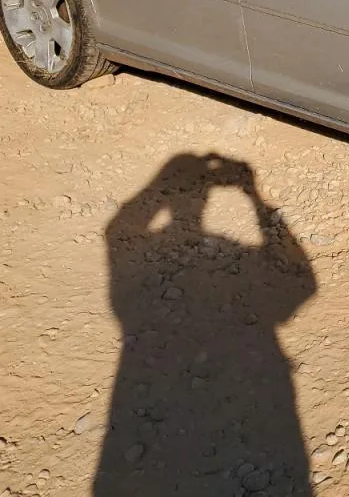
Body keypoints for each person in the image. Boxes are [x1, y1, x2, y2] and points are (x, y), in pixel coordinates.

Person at [94, 154, 316, 496]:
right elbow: (303, 285)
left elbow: (118, 231)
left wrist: (165, 181)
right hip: (266, 403)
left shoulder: (138, 288)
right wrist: (253, 196)